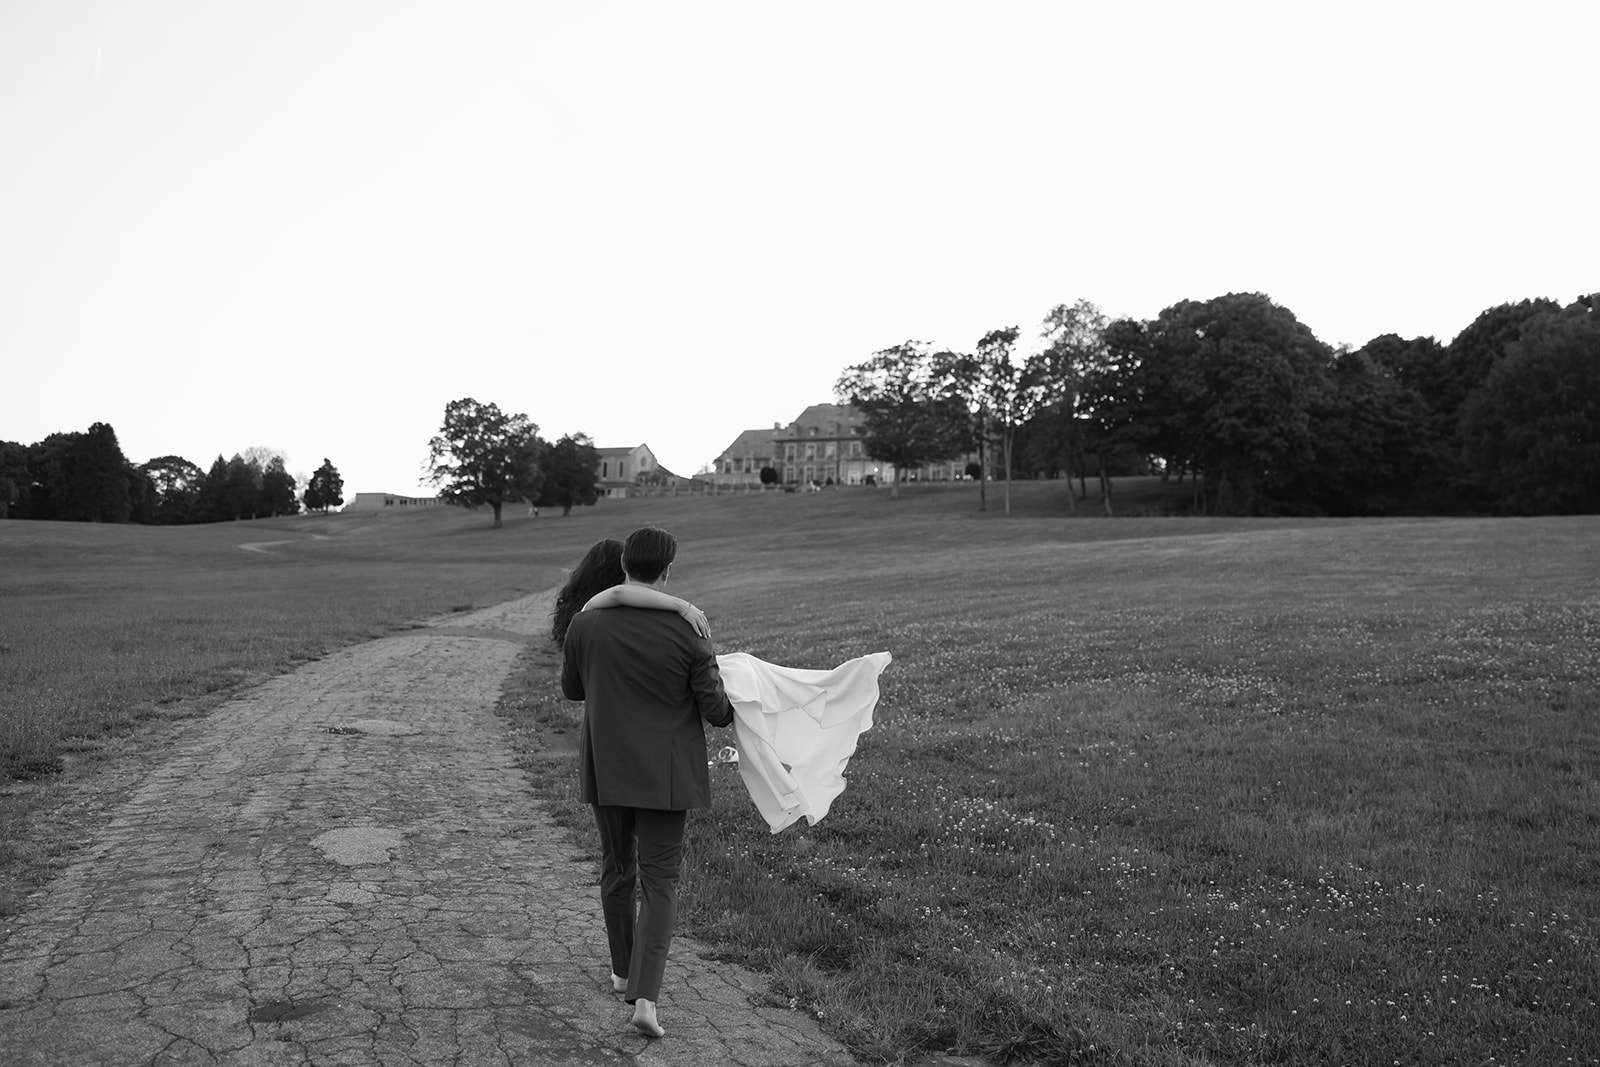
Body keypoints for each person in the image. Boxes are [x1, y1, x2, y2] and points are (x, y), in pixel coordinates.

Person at [558, 527, 733, 1039]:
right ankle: (646, 997)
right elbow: (716, 711)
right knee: (661, 882)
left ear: (625, 566)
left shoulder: (584, 625)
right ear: (668, 570)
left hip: (607, 765)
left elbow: (573, 690)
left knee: (616, 868)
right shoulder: (690, 631)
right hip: (666, 773)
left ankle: (621, 971)